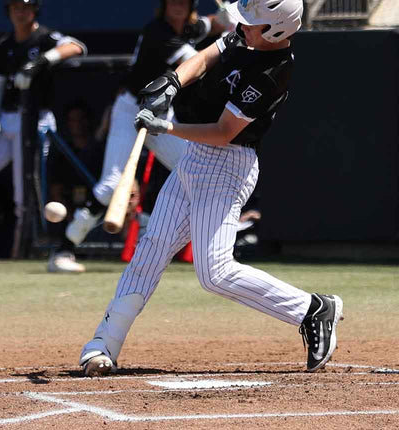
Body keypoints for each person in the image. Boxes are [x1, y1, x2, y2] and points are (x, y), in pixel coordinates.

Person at [78, 0, 344, 377]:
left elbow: (223, 132)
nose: (242, 26)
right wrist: (172, 82)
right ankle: (104, 343)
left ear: (276, 31)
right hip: (196, 159)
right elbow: (206, 57)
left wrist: (166, 128)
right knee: (151, 250)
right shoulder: (246, 38)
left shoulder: (272, 72)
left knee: (214, 272)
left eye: (253, 24)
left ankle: (311, 309)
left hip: (227, 165)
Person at [59, 0, 234, 269]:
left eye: (183, 1)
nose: (177, 5)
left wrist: (231, 20)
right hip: (132, 110)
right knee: (111, 185)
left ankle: (215, 252)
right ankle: (65, 249)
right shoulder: (158, 32)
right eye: (172, 1)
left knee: (196, 170)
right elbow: (197, 63)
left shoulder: (189, 27)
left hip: (161, 116)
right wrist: (230, 37)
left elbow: (211, 23)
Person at [0, 0, 86, 261]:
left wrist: (42, 61)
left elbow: (77, 46)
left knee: (24, 193)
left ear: (35, 10)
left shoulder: (44, 37)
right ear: (8, 11)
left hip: (35, 119)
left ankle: (21, 253)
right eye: (15, 7)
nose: (20, 12)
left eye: (25, 7)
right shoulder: (4, 45)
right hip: (5, 120)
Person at [46, 101, 105, 273]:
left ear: (88, 121)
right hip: (72, 214)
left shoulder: (99, 150)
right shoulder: (63, 153)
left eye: (81, 119)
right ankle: (63, 252)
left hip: (100, 213)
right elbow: (56, 190)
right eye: (73, 120)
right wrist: (71, 215)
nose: (77, 124)